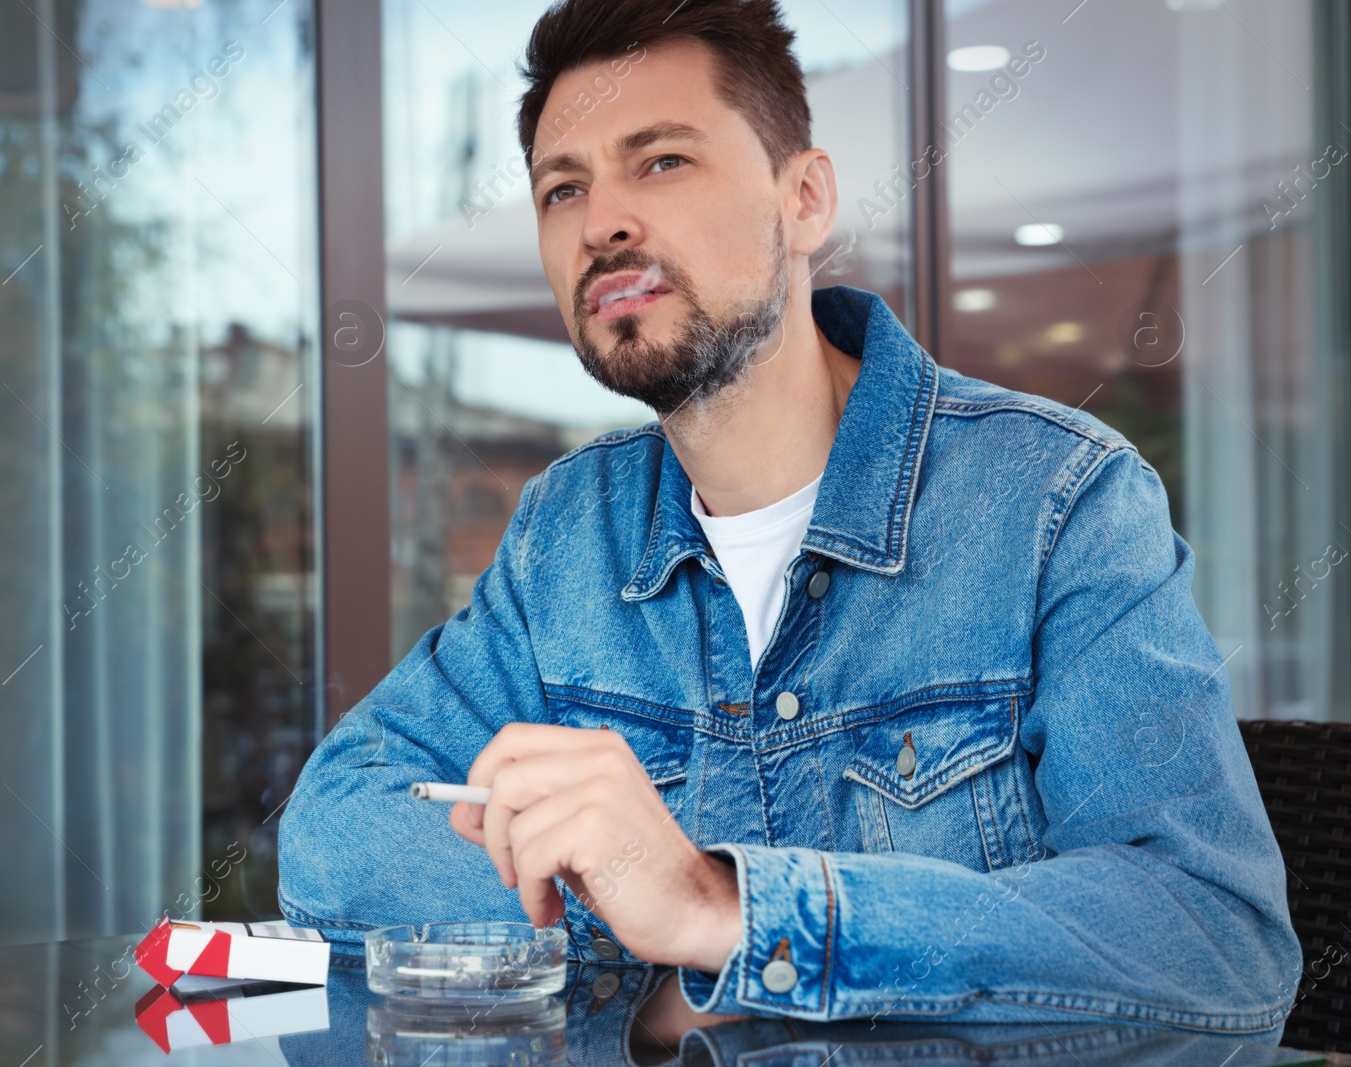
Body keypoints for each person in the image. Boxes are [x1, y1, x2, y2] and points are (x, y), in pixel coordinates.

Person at [277, 0, 1301, 1035]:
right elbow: (333, 833)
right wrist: (652, 940)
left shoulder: (1057, 501)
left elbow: (1213, 938)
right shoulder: (567, 534)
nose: (602, 222)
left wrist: (720, 908)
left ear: (804, 198)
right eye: (562, 187)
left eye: (662, 160)